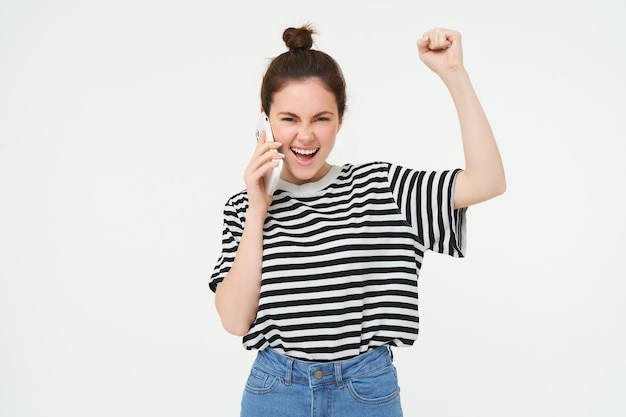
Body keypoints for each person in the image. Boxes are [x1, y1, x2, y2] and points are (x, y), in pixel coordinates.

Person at [209, 24, 505, 417]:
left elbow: (487, 181)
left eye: (321, 118)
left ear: (341, 119)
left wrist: (454, 75)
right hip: (275, 392)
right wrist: (259, 208)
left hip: (365, 389)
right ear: (265, 120)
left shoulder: (381, 187)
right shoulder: (244, 208)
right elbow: (234, 320)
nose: (306, 136)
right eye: (289, 118)